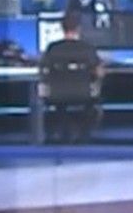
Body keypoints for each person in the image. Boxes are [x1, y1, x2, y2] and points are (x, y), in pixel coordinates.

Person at [38, 9, 102, 143]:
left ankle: (64, 132)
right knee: (95, 101)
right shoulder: (88, 48)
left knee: (59, 103)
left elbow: (43, 70)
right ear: (78, 28)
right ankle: (84, 135)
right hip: (83, 93)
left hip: (57, 94)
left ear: (62, 28)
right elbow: (99, 72)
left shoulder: (52, 48)